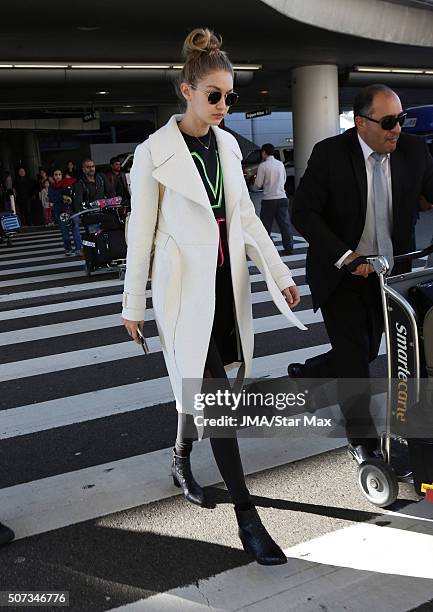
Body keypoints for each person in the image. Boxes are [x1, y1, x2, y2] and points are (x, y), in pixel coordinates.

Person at [122, 27, 304, 566]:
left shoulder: (228, 145)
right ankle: (249, 520)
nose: (224, 105)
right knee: (218, 402)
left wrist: (280, 274)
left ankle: (180, 456)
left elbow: (245, 219)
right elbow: (139, 236)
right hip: (183, 297)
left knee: (201, 392)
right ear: (187, 91)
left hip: (226, 292)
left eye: (230, 96)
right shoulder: (151, 154)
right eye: (214, 95)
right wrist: (133, 306)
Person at [289, 83, 433, 464]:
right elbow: (303, 213)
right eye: (388, 121)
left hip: (392, 274)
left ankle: (311, 374)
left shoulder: (415, 152)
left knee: (368, 350)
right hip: (342, 273)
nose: (397, 129)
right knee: (355, 359)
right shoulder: (330, 155)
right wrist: (346, 256)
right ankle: (363, 443)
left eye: (400, 120)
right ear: (360, 123)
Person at [252, 143, 293, 254]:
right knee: (284, 224)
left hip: (269, 200)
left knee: (266, 226)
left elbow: (258, 184)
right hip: (282, 198)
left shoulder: (263, 166)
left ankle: (267, 250)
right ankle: (289, 248)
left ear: (264, 152)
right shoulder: (280, 164)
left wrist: (253, 188)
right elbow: (284, 179)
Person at [48, 168, 82, 256]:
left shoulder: (68, 183)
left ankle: (79, 248)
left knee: (75, 229)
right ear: (53, 176)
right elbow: (51, 198)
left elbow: (76, 194)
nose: (58, 176)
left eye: (59, 174)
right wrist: (62, 197)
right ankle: (68, 249)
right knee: (64, 231)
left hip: (72, 209)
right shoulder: (52, 187)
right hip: (60, 211)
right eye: (56, 174)